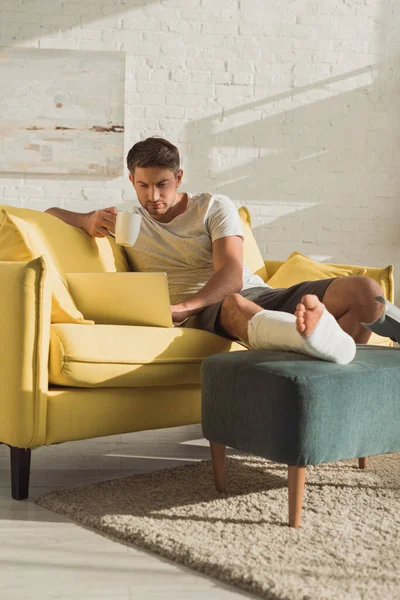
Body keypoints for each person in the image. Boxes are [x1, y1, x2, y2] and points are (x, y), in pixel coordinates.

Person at [45, 137, 397, 365]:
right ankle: (321, 341)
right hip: (214, 314)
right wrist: (87, 219)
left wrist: (181, 307)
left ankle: (326, 351)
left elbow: (231, 274)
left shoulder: (212, 206)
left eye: (162, 184)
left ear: (179, 178)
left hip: (249, 294)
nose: (153, 196)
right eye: (143, 185)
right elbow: (49, 216)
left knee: (365, 291)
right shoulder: (124, 222)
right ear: (131, 181)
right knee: (233, 304)